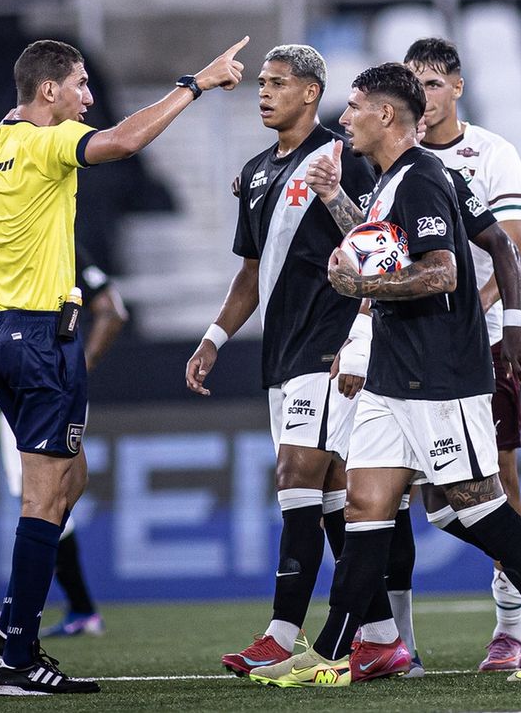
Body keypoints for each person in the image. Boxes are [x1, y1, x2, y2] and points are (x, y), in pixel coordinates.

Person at [245, 62, 521, 688]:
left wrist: (362, 285)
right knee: (364, 506)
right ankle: (331, 652)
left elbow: (442, 272)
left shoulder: (421, 179)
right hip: (392, 372)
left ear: (385, 115)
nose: (344, 118)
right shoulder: (391, 182)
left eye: (354, 107)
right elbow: (381, 249)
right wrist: (335, 200)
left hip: (439, 375)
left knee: (476, 506)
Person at [0, 35, 248, 695]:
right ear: (48, 90)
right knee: (45, 495)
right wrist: (195, 84)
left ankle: (9, 627)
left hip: (2, 335)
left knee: (68, 479)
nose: (89, 96)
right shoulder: (47, 145)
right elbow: (125, 142)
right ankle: (19, 660)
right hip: (42, 338)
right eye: (79, 84)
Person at [182, 44, 383, 679]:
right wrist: (214, 338)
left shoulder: (344, 158)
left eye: (277, 83)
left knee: (296, 476)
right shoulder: (254, 173)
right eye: (262, 83)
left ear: (310, 92)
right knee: (330, 495)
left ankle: (281, 635)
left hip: (330, 348)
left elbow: (379, 250)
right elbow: (251, 274)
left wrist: (360, 339)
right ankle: (381, 636)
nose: (264, 93)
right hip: (282, 351)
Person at [401, 36, 521, 672]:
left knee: (496, 480)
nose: (424, 96)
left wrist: (480, 313)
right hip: (410, 347)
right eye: (414, 84)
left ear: (458, 86)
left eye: (434, 83)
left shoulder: (491, 153)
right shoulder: (392, 157)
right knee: (433, 501)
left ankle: (510, 628)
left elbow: (517, 246)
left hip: (480, 342)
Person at [0, 246, 127, 643]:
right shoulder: (13, 245)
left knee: (45, 493)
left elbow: (112, 310)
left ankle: (24, 614)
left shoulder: (45, 246)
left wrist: (79, 366)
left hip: (38, 373)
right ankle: (56, 609)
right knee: (56, 489)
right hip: (34, 370)